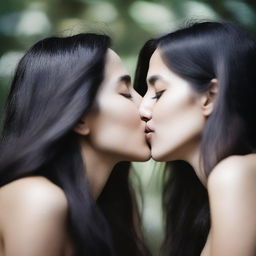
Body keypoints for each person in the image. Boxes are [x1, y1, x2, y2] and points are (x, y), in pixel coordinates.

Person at [0, 33, 151, 256]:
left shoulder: (113, 207)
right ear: (79, 116)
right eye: (125, 93)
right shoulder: (38, 198)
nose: (145, 107)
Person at [135, 21, 256, 256]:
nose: (142, 108)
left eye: (159, 93)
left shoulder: (234, 174)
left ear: (210, 97)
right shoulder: (212, 192)